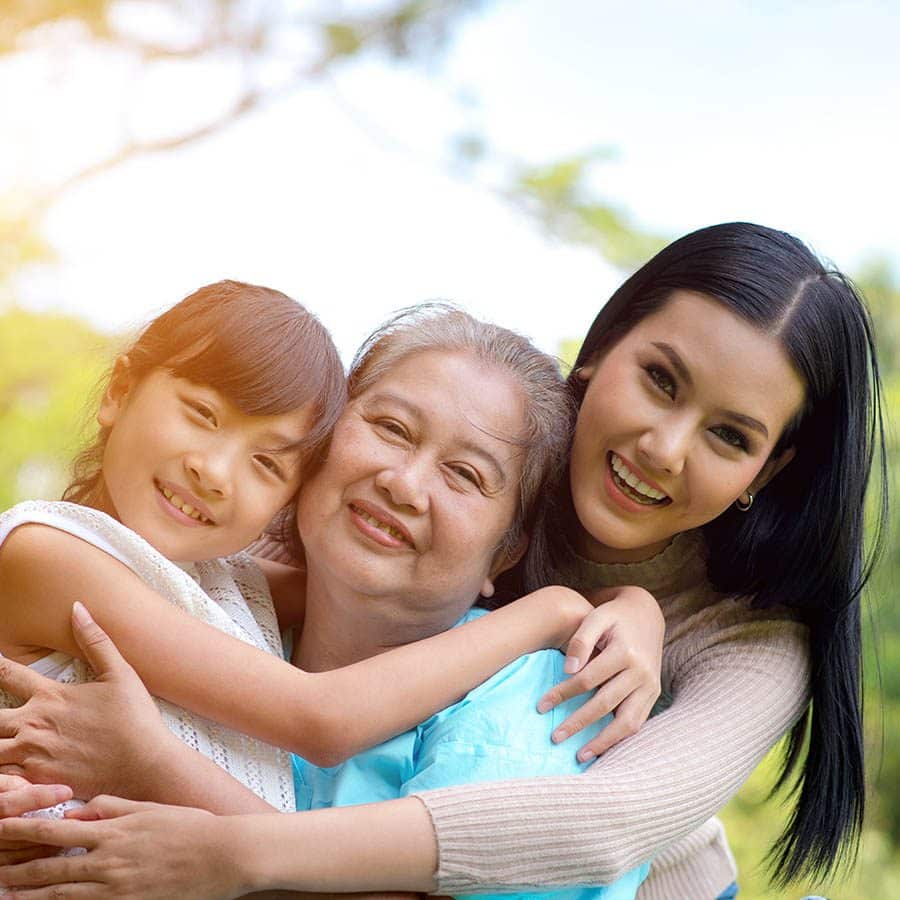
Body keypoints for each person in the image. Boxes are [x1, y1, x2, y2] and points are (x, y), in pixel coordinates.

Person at [0, 222, 886, 900]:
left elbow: (600, 826)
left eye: (730, 435)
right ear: (600, 350)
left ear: (764, 473)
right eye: (660, 378)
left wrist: (190, 805)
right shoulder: (319, 524)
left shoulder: (749, 641)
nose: (663, 444)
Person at [0, 289, 659, 826]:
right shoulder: (48, 554)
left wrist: (629, 603)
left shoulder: (220, 583)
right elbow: (319, 718)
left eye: (266, 460)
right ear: (119, 392)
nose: (215, 472)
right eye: (201, 413)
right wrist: (551, 610)